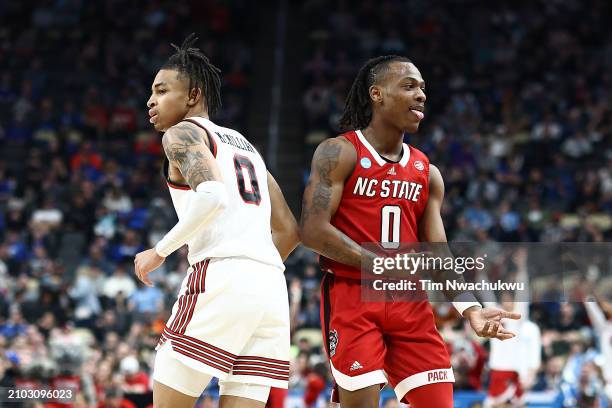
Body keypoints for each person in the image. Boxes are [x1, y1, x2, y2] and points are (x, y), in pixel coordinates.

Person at [300, 55, 520, 408]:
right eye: (408, 86)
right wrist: (378, 264)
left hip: (410, 301)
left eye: (422, 88)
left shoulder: (426, 171)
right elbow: (312, 230)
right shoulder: (338, 152)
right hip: (352, 295)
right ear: (377, 94)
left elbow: (438, 254)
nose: (421, 95)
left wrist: (471, 309)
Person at [134, 34, 299, 408]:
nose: (150, 100)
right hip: (271, 286)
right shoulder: (248, 147)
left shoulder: (183, 132)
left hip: (221, 275)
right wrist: (254, 267)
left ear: (192, 95)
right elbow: (290, 229)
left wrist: (158, 252)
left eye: (161, 91)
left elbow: (213, 194)